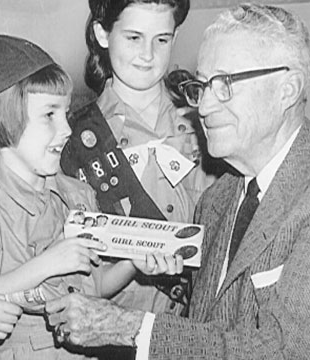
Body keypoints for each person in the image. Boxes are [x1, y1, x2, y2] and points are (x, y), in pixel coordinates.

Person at [47, 3, 310, 358]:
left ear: (288, 89)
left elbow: (286, 348)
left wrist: (132, 328)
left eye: (226, 84)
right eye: (204, 86)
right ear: (102, 34)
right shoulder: (220, 199)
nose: (202, 107)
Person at [0, 34, 183, 359]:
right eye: (49, 115)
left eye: (65, 113)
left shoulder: (78, 194)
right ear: (2, 119)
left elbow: (95, 286)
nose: (67, 129)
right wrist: (46, 264)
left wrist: (133, 261)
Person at [60, 0, 217, 315]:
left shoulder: (208, 121)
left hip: (197, 326)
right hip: (115, 331)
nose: (148, 54)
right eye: (134, 37)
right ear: (102, 34)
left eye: (162, 39)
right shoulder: (72, 137)